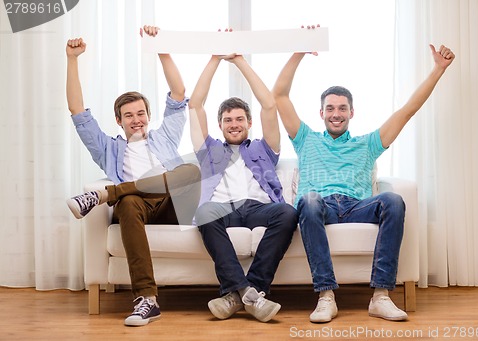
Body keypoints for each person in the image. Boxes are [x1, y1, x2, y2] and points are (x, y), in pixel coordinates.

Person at [272, 29, 455, 323]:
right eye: (330, 108)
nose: (336, 113)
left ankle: (381, 297)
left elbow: (408, 111)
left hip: (357, 206)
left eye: (342, 108)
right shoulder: (306, 138)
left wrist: (438, 70)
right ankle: (326, 296)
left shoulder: (367, 144)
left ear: (351, 113)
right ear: (321, 113)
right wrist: (299, 51)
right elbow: (279, 95)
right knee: (308, 200)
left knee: (393, 200)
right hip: (320, 206)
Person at [65, 26, 201, 327]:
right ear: (119, 120)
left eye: (140, 113)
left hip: (171, 208)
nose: (136, 120)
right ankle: (147, 301)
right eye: (129, 115)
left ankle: (104, 195)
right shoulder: (108, 149)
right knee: (126, 204)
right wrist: (72, 59)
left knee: (190, 170)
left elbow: (179, 94)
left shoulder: (164, 138)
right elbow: (77, 111)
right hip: (135, 211)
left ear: (148, 116)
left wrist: (162, 48)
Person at [188, 52, 298, 323]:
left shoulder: (265, 148)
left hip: (258, 208)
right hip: (223, 209)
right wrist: (215, 57)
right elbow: (195, 106)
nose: (234, 124)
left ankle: (237, 294)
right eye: (228, 120)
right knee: (204, 213)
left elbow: (269, 105)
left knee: (287, 212)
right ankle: (251, 293)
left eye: (239, 119)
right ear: (220, 125)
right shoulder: (209, 150)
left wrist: (238, 60)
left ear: (249, 123)